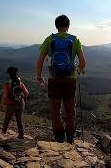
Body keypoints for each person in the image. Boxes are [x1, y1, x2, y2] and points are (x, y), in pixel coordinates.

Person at [36, 14, 86, 143]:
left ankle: (59, 137)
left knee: (55, 110)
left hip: (54, 79)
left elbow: (40, 61)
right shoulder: (75, 40)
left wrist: (39, 77)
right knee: (70, 110)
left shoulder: (50, 39)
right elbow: (83, 62)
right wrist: (77, 71)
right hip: (70, 80)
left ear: (56, 26)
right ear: (68, 26)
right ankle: (70, 137)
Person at [1, 66, 29, 139]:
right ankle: (21, 135)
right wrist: (21, 98)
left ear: (9, 74)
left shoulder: (7, 84)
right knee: (19, 120)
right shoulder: (20, 82)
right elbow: (26, 93)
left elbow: (4, 96)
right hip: (20, 103)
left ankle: (3, 132)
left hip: (11, 104)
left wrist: (2, 104)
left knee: (7, 118)